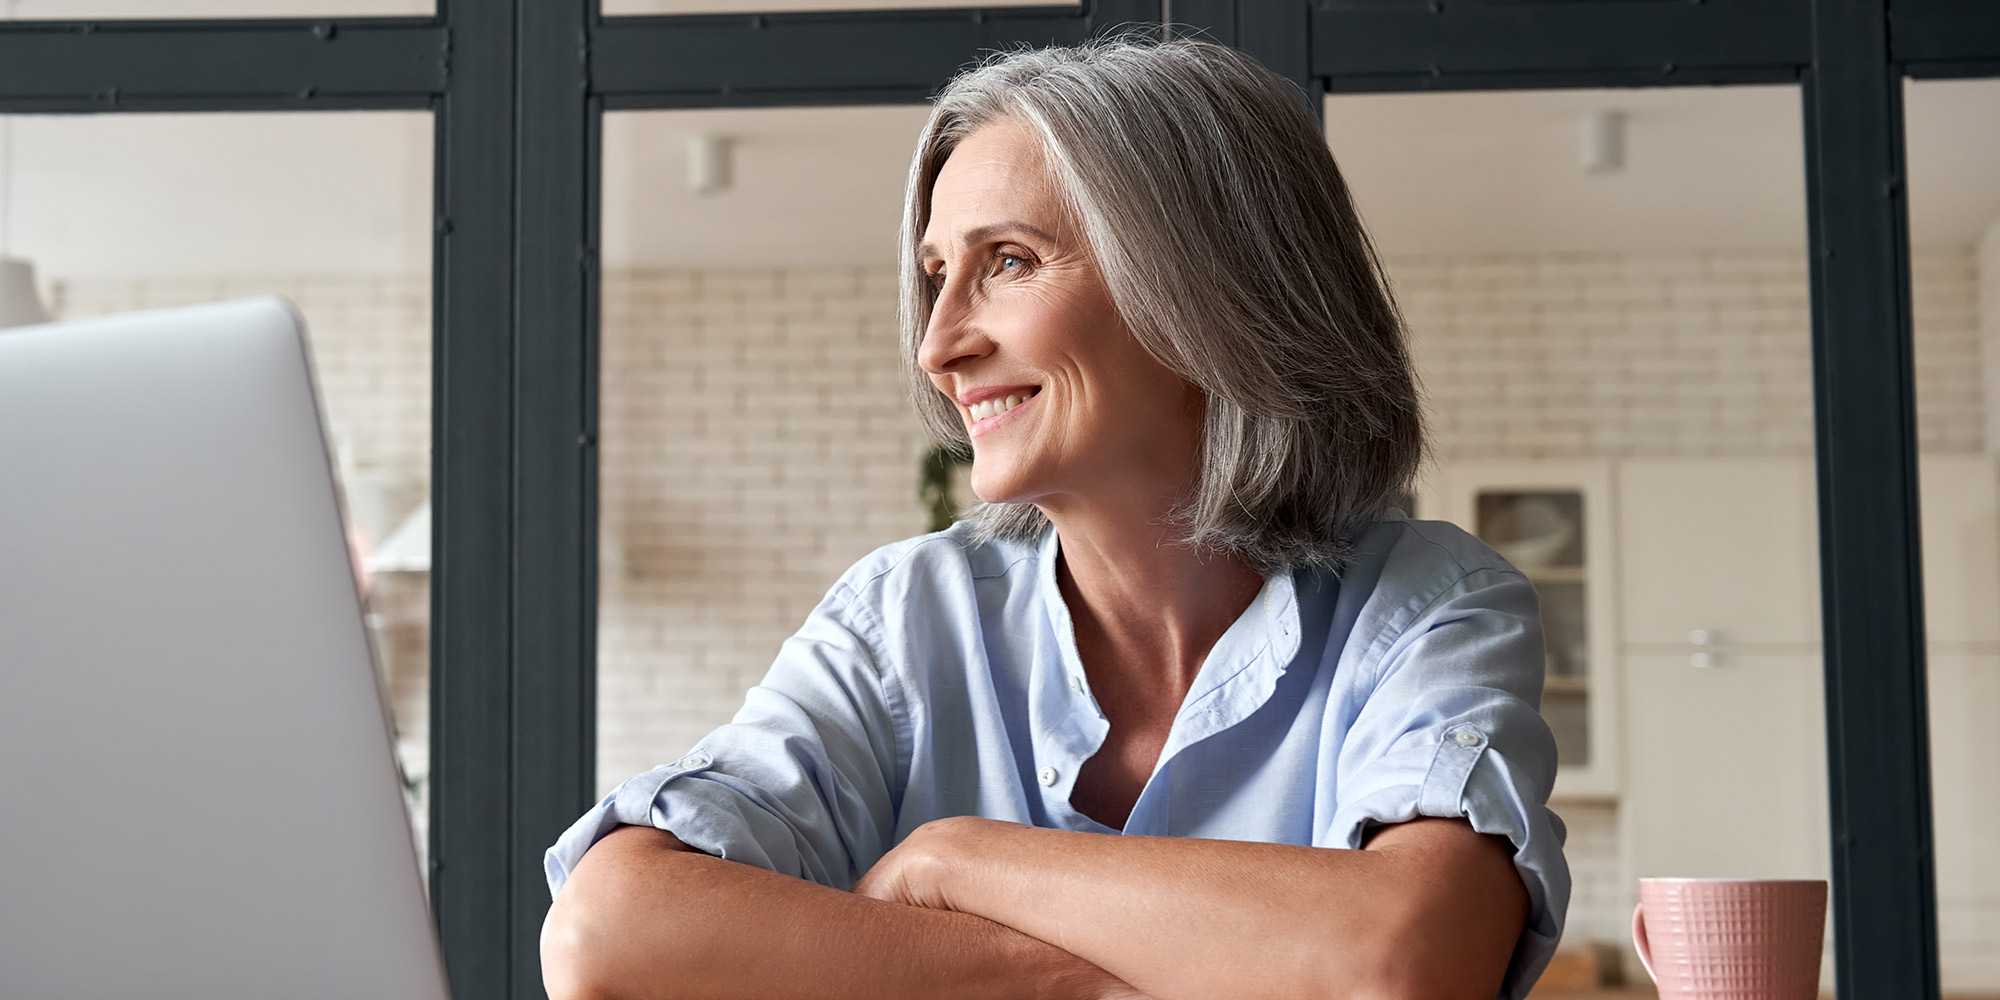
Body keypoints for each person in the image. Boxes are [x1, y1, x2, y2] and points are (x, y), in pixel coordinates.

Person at [541, 36, 1568, 1000]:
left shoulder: (1426, 605)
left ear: (1204, 286)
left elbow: (1402, 963)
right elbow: (608, 931)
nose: (937, 347)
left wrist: (952, 860)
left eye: (1009, 261)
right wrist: (1087, 978)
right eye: (937, 275)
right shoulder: (904, 619)